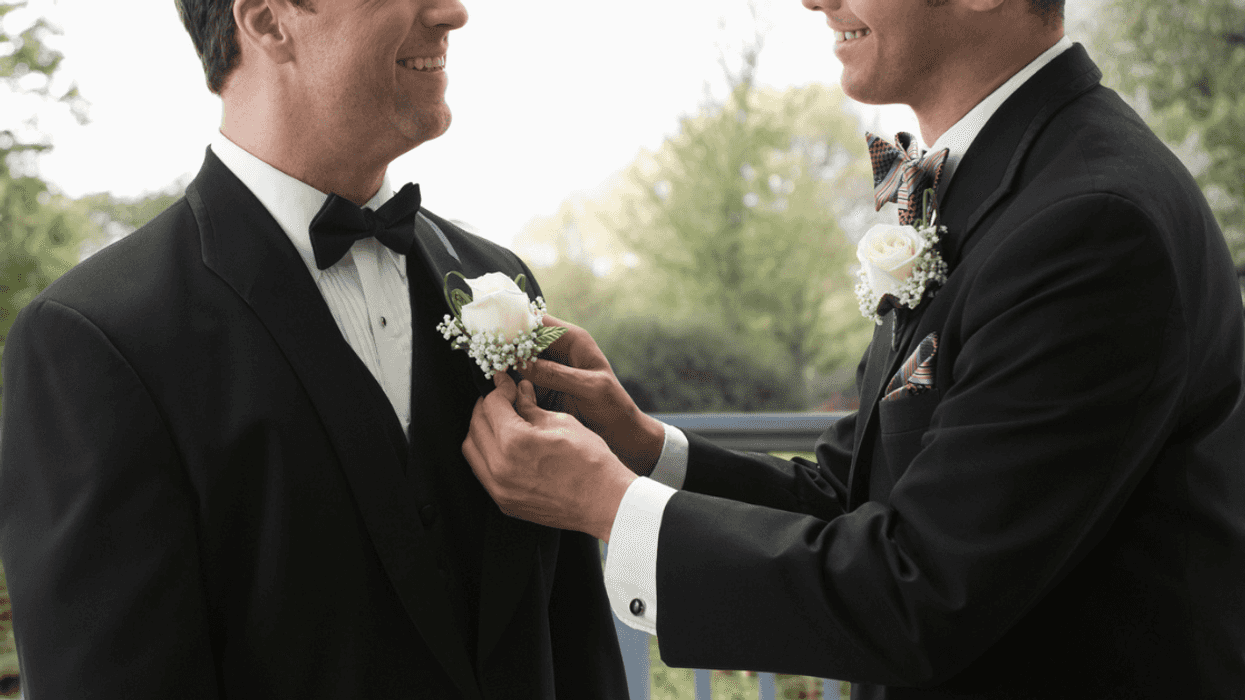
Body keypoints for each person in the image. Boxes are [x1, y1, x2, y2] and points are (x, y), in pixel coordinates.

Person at [461, 0, 1245, 697]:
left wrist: (608, 505)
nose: (813, 0)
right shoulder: (1007, 186)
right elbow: (855, 497)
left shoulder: (1091, 224)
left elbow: (922, 593)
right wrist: (639, 448)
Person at [0, 0, 627, 698]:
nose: (453, 12)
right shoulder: (94, 339)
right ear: (268, 19)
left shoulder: (500, 282)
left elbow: (575, 643)